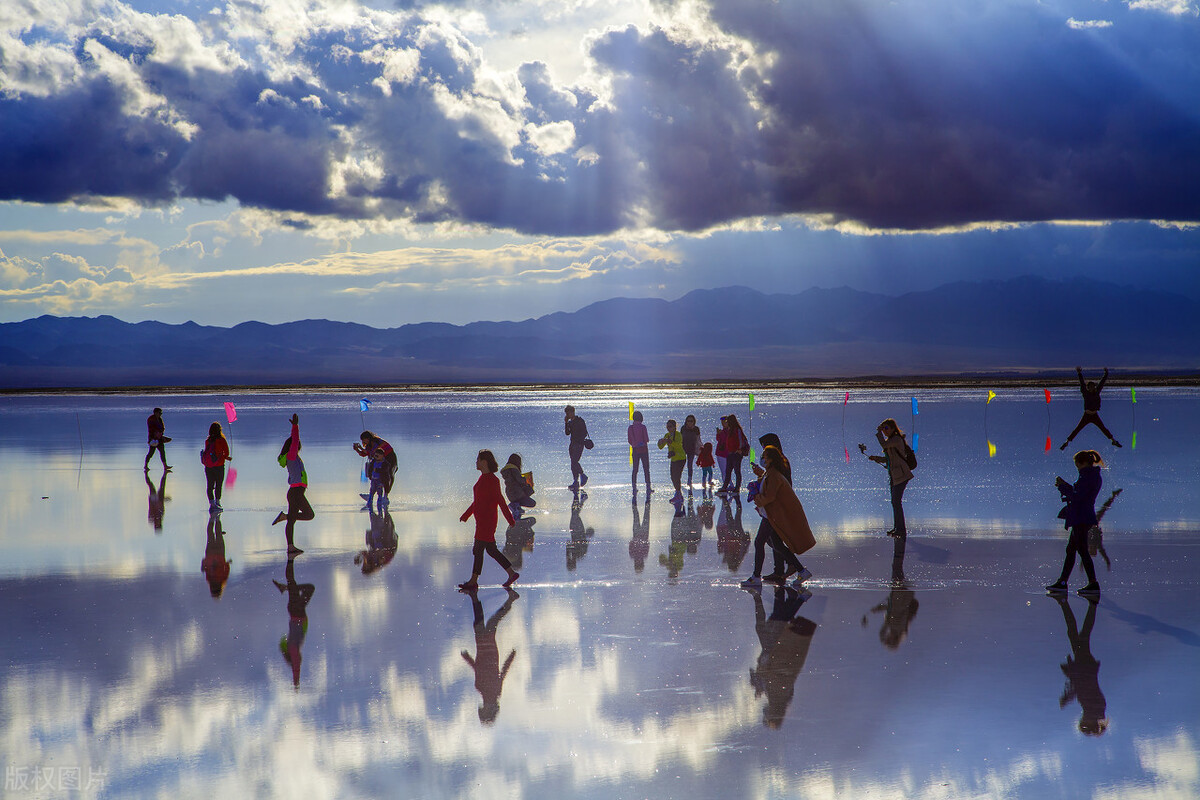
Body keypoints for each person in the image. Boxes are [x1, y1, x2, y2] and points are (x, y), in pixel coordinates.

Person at [742, 435, 811, 587]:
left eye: (764, 456)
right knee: (776, 544)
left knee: (760, 541)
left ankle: (756, 576)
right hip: (772, 513)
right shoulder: (771, 471)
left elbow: (771, 495)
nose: (762, 458)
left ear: (771, 458)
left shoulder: (774, 472)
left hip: (774, 513)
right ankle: (799, 570)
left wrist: (757, 498)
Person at [458, 450, 519, 591]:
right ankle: (511, 573)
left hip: (487, 522)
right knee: (491, 550)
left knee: (478, 549)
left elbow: (501, 501)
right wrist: (466, 515)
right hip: (481, 522)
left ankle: (473, 581)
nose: (476, 462)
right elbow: (477, 501)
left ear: (484, 462)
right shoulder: (482, 478)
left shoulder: (493, 480)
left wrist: (510, 519)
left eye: (478, 459)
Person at [1047, 450, 1104, 595]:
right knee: (1071, 549)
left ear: (1082, 463)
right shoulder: (1092, 475)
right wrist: (1065, 485)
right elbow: (1079, 494)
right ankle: (1063, 582)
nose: (1077, 468)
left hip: (1081, 517)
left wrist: (1062, 487)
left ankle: (1092, 583)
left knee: (1082, 550)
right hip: (1083, 516)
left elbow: (1077, 497)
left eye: (1077, 465)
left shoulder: (1087, 477)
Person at [1051, 594, 1108, 735]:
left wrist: (1068, 698)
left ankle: (1087, 606)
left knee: (1078, 634)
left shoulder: (1097, 708)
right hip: (1084, 667)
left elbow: (1080, 689)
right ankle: (1074, 605)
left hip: (1085, 667)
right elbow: (1081, 688)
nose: (1081, 717)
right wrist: (1067, 698)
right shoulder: (1093, 707)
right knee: (1079, 633)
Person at [461, 588, 519, 724]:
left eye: (483, 711)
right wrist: (511, 657)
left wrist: (468, 658)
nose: (484, 707)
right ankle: (509, 600)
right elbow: (503, 672)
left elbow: (477, 668)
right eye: (485, 710)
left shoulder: (481, 688)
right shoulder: (492, 690)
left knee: (482, 621)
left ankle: (475, 596)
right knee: (491, 621)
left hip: (482, 644)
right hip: (488, 646)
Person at [865, 418, 914, 537]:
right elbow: (889, 459)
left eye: (886, 428)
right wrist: (876, 458)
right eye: (883, 428)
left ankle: (901, 529)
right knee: (894, 502)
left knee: (896, 502)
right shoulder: (891, 441)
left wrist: (878, 433)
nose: (884, 431)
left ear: (892, 428)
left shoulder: (896, 439)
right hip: (894, 475)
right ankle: (897, 527)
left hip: (901, 475)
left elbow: (884, 444)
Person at [272, 414, 313, 556]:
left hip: (295, 492)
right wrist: (295, 426)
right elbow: (295, 440)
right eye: (296, 445)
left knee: (293, 519)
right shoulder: (291, 456)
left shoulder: (292, 458)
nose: (298, 446)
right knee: (309, 515)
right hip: (296, 492)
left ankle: (290, 547)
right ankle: (285, 518)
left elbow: (294, 442)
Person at [272, 558, 315, 688]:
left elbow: (295, 665)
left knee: (308, 588)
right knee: (298, 585)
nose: (300, 659)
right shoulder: (291, 646)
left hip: (297, 611)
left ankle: (287, 581)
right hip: (295, 611)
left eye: (298, 659)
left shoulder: (293, 648)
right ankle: (286, 584)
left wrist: (296, 681)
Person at [1061, 367, 1122, 450]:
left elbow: (1102, 383)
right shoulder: (1085, 393)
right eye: (1090, 387)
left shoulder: (1097, 392)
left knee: (1103, 428)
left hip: (1095, 415)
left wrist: (1106, 373)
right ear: (1088, 387)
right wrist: (1079, 373)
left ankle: (1114, 441)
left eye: (1093, 386)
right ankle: (1066, 442)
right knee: (1077, 429)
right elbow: (1082, 383)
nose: (1092, 388)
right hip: (1086, 415)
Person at [355, 431, 398, 499]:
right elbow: (364, 454)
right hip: (379, 459)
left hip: (390, 458)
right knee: (373, 473)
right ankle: (372, 494)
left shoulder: (379, 442)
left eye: (364, 439)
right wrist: (357, 450)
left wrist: (361, 449)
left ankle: (386, 496)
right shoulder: (369, 445)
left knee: (388, 475)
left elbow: (375, 451)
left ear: (368, 438)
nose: (363, 441)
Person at [201, 422, 232, 511]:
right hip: (219, 466)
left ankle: (211, 504)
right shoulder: (221, 440)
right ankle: (218, 503)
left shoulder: (208, 441)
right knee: (218, 485)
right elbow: (226, 453)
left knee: (209, 486)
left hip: (208, 466)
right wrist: (226, 457)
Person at [201, 512, 232, 598]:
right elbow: (205, 568)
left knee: (217, 534)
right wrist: (204, 562)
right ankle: (213, 519)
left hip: (218, 554)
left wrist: (227, 563)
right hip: (213, 554)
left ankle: (215, 519)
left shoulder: (222, 580)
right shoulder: (210, 580)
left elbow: (227, 569)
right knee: (211, 534)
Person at [719, 414, 749, 495]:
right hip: (730, 453)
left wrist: (739, 449)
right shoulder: (730, 430)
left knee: (737, 470)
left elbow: (740, 440)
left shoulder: (737, 430)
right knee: (728, 470)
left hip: (736, 454)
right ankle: (725, 487)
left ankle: (737, 487)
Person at [500, 453, 536, 519]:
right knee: (532, 503)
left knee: (519, 505)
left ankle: (516, 507)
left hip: (510, 494)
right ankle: (515, 506)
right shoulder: (514, 469)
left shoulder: (506, 471)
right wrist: (527, 480)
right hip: (517, 493)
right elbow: (520, 480)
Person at [657, 418, 686, 498]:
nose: (668, 428)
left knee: (677, 476)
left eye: (670, 426)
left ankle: (678, 493)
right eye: (667, 426)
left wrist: (670, 442)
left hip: (681, 458)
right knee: (673, 476)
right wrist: (660, 442)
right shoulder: (667, 435)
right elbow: (661, 447)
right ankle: (678, 492)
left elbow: (678, 445)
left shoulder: (678, 435)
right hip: (673, 459)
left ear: (674, 427)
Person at [564, 405, 590, 489]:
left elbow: (584, 432)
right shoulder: (570, 422)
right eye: (567, 413)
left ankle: (583, 475)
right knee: (573, 463)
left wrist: (579, 440)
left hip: (579, 444)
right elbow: (567, 433)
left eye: (569, 413)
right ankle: (576, 481)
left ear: (573, 412)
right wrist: (566, 423)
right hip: (572, 444)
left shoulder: (580, 420)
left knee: (575, 461)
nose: (568, 414)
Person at [627, 411, 651, 495]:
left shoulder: (630, 428)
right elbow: (646, 439)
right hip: (644, 449)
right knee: (646, 469)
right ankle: (648, 487)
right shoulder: (643, 427)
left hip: (635, 450)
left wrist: (635, 444)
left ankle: (634, 487)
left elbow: (629, 440)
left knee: (635, 469)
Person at [366, 447, 390, 513]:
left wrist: (376, 470)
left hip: (380, 480)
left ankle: (379, 506)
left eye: (378, 455)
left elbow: (385, 471)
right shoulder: (373, 462)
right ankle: (369, 503)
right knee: (371, 491)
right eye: (375, 455)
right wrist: (370, 475)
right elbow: (370, 469)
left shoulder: (385, 463)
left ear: (382, 456)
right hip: (374, 480)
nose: (376, 457)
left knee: (379, 493)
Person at [681, 415, 702, 488]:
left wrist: (700, 449)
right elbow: (680, 438)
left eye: (691, 421)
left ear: (694, 422)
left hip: (692, 449)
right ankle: (678, 480)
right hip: (683, 449)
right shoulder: (683, 428)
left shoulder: (696, 429)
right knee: (681, 464)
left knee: (689, 465)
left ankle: (689, 480)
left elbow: (698, 440)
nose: (689, 423)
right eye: (688, 421)